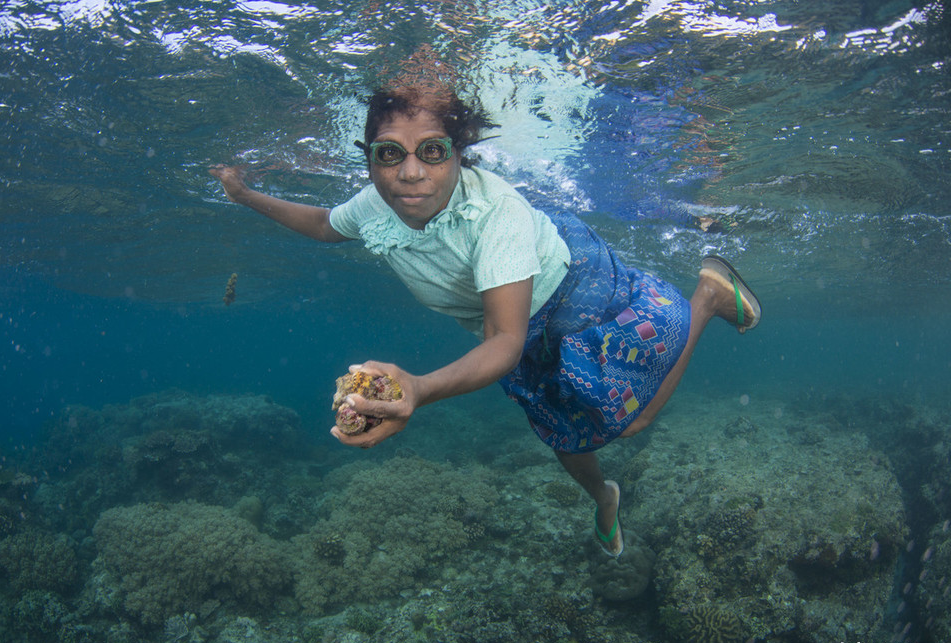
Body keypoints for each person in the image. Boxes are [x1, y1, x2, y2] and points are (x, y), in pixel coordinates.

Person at [209, 85, 760, 558]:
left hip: (572, 290)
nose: (409, 172)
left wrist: (419, 389)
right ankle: (604, 497)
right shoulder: (374, 204)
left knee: (628, 421)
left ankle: (706, 298)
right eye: (388, 154)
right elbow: (327, 224)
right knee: (563, 433)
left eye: (431, 151)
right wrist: (245, 195)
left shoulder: (495, 215)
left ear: (457, 154)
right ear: (370, 159)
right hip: (510, 332)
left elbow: (505, 338)